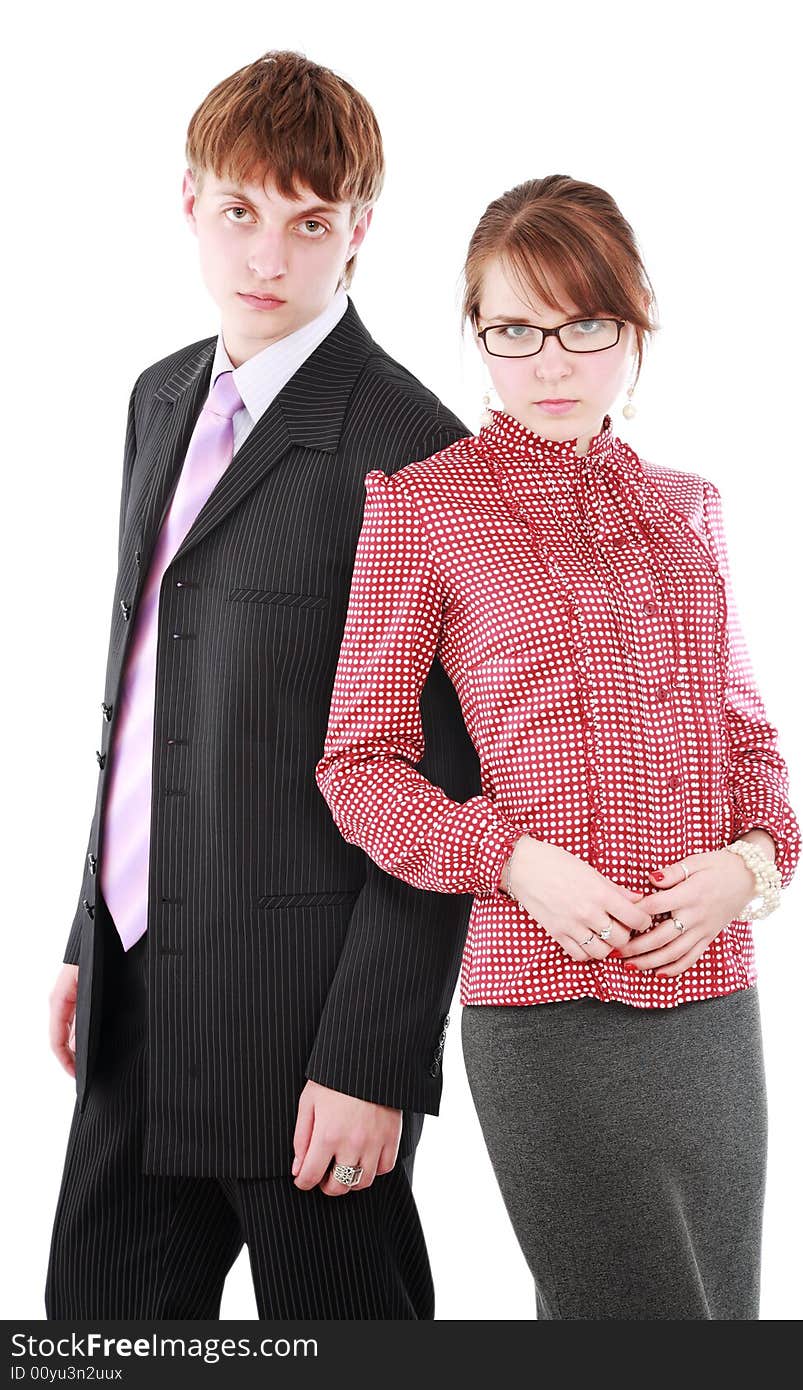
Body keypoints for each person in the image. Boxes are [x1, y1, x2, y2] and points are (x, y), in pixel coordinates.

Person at [315, 174, 802, 1320]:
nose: (550, 364)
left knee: (720, 1313)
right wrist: (513, 859)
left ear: (634, 330)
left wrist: (750, 868)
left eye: (585, 327)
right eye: (514, 331)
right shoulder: (423, 505)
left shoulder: (689, 507)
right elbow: (358, 766)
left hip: (714, 998)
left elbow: (748, 739)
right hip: (544, 1003)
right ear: (477, 335)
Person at [44, 49, 481, 1320]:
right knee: (89, 1345)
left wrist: (373, 1058)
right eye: (241, 212)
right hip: (137, 995)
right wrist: (91, 929)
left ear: (358, 230)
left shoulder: (413, 450)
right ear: (191, 202)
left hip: (305, 1050)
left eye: (309, 223)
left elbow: (444, 781)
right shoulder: (158, 396)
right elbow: (142, 685)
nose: (269, 257)